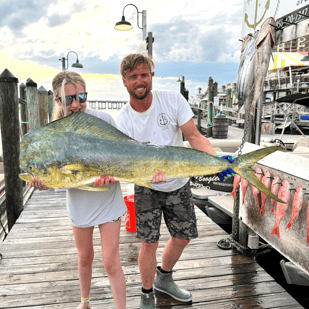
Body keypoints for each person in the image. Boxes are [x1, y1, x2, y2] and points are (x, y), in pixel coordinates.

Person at [115, 53, 232, 309]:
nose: (140, 81)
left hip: (178, 183)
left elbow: (193, 135)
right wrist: (147, 176)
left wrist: (217, 161)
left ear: (151, 76)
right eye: (133, 77)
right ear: (124, 81)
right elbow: (127, 163)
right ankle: (146, 293)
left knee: (183, 236)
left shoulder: (171, 100)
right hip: (147, 186)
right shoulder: (122, 121)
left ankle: (163, 278)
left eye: (144, 75)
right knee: (149, 243)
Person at [30, 71, 126, 309]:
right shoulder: (52, 133)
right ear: (57, 101)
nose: (76, 104)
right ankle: (84, 302)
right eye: (69, 99)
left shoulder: (104, 119)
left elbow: (124, 158)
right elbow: (53, 174)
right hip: (79, 201)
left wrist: (112, 174)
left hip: (108, 198)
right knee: (84, 257)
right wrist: (41, 183)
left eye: (81, 96)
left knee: (110, 262)